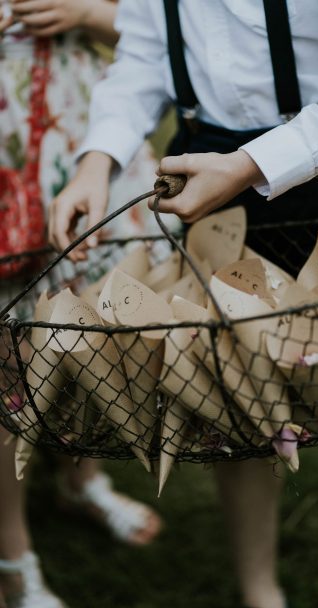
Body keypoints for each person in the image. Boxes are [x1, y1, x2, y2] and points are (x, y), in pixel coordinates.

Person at [48, 1, 318, 607]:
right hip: (211, 183)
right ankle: (260, 594)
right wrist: (97, 159)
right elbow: (143, 55)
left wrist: (252, 164)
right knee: (235, 412)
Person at [0, 2, 162, 607]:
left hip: (78, 127)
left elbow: (162, 28)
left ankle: (79, 477)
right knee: (6, 361)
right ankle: (12, 557)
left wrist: (86, 10)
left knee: (82, 327)